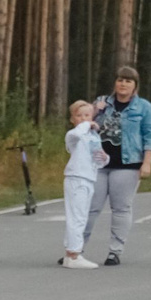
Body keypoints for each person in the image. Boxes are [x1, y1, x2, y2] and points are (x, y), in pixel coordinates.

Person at [83, 65, 151, 265]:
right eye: (120, 80)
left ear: (135, 86)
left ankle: (115, 251)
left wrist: (147, 162)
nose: (123, 84)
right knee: (90, 207)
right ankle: (76, 249)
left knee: (121, 208)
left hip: (128, 163)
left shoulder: (144, 107)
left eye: (128, 81)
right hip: (98, 163)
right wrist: (93, 111)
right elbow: (83, 124)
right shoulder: (101, 103)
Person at [59, 100, 104, 270]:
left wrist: (103, 159)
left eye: (87, 115)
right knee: (76, 217)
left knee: (82, 217)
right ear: (73, 119)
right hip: (76, 178)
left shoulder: (92, 136)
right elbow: (76, 135)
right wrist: (88, 124)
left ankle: (70, 253)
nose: (84, 119)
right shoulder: (73, 135)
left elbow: (96, 158)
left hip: (89, 177)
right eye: (79, 116)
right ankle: (74, 254)